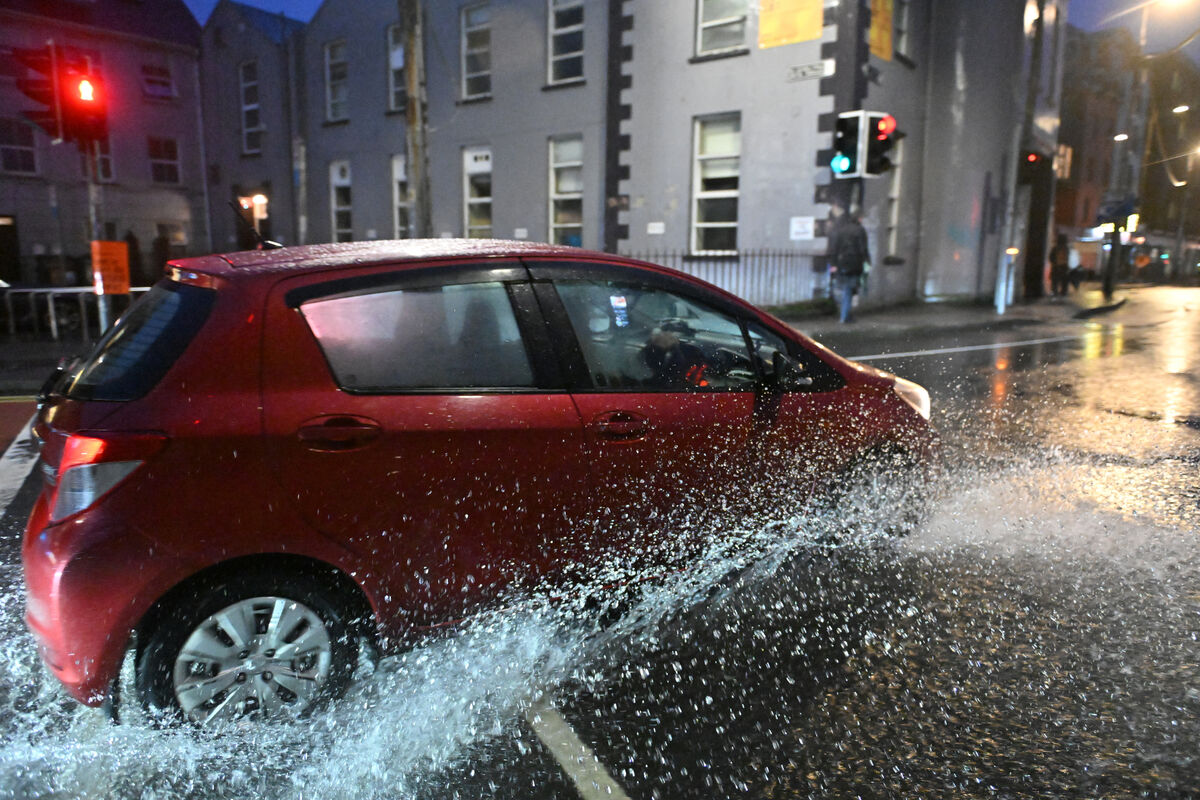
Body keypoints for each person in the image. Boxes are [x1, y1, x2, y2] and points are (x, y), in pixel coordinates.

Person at [828, 204, 870, 323]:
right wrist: (867, 261)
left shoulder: (842, 231)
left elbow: (835, 248)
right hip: (855, 263)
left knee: (846, 289)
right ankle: (845, 316)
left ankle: (845, 314)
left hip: (843, 263)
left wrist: (834, 263)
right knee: (850, 289)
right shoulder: (860, 230)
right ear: (858, 218)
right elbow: (863, 249)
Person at [1049, 233, 1071, 298]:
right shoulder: (1066, 248)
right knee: (1064, 281)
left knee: (1055, 282)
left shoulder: (1055, 248)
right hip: (1064, 267)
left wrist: (1054, 263)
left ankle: (1055, 293)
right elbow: (1068, 258)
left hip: (1056, 267)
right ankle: (1063, 293)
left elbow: (1051, 257)